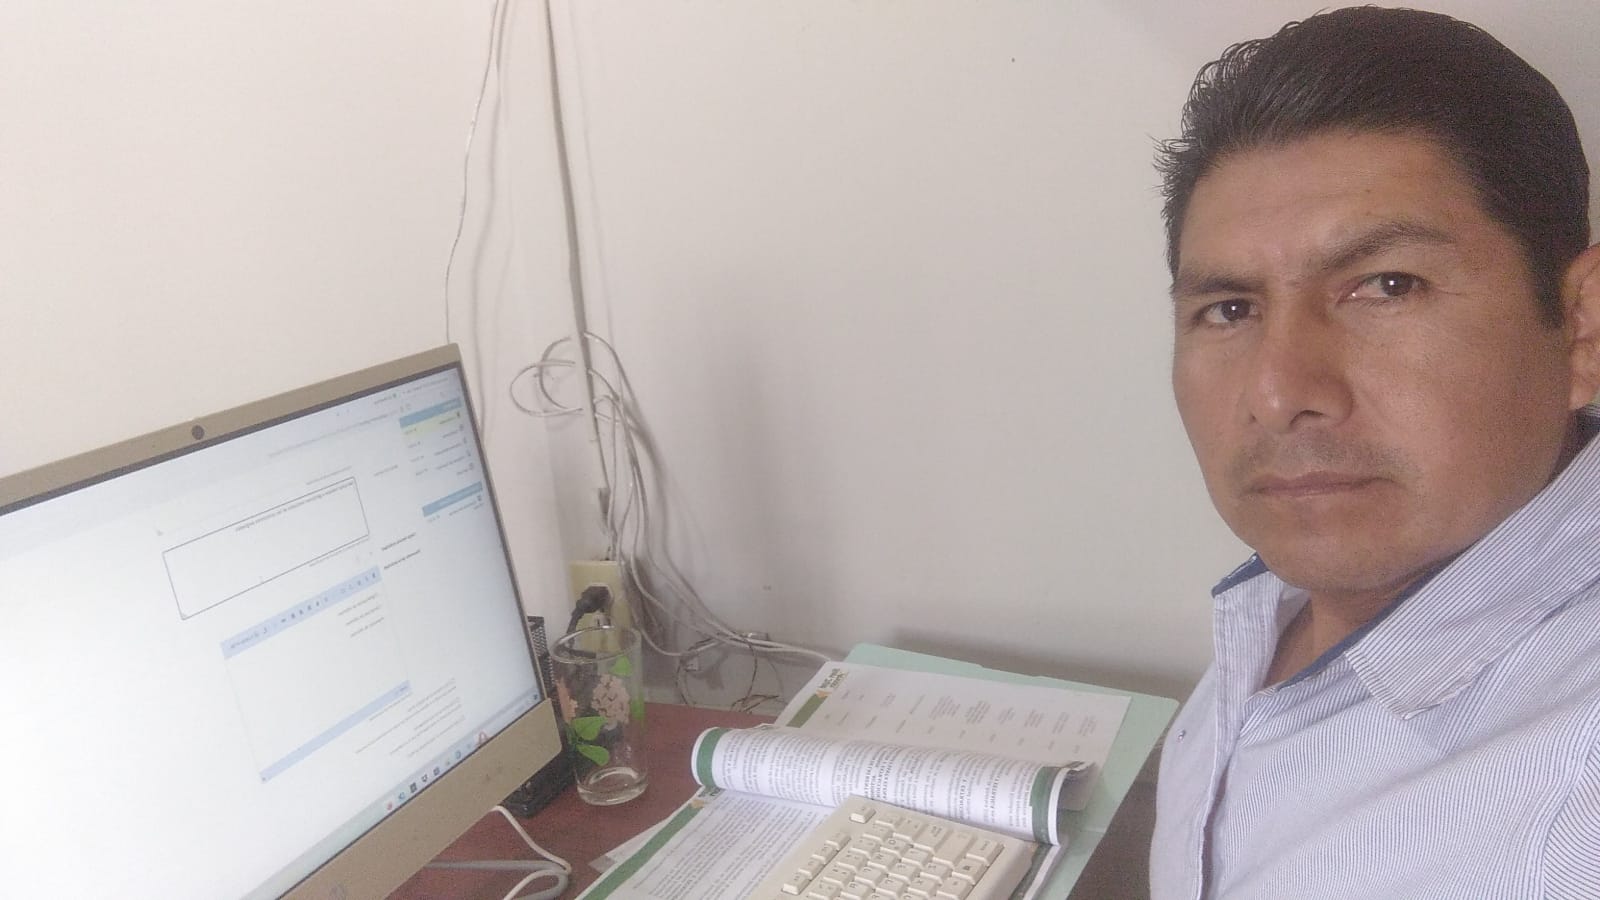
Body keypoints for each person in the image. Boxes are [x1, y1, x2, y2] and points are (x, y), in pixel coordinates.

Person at [1150, 7, 1600, 899]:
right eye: (1230, 309)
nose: (1280, 392)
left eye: (1388, 286)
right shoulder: (1287, 602)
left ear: (1582, 327)